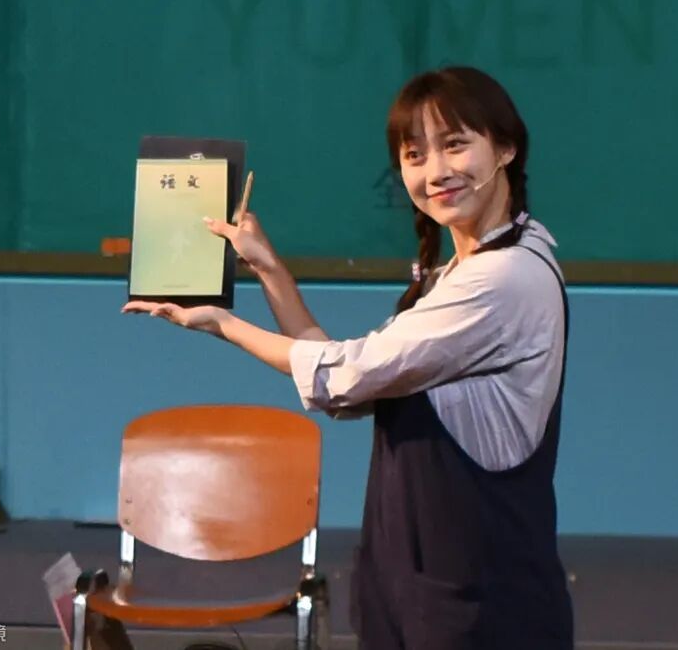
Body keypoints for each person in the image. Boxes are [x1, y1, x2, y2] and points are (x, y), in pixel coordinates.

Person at [123, 66, 574, 649]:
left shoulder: (504, 278)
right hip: (417, 583)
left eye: (456, 145)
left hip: (479, 601)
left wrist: (224, 323)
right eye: (415, 155)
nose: (436, 171)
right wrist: (268, 269)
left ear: (506, 148)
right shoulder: (460, 273)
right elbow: (347, 380)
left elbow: (345, 376)